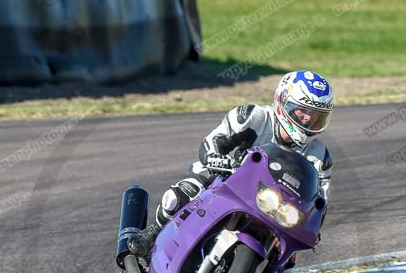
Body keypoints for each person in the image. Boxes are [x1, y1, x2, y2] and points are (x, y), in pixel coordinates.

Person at [128, 70, 334, 258]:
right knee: (180, 196)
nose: (308, 120)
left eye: (317, 116)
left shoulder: (319, 154)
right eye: (302, 111)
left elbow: (320, 202)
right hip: (225, 178)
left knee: (287, 261)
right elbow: (212, 141)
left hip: (273, 205)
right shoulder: (254, 117)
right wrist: (216, 158)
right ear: (282, 101)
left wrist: (312, 228)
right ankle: (152, 232)